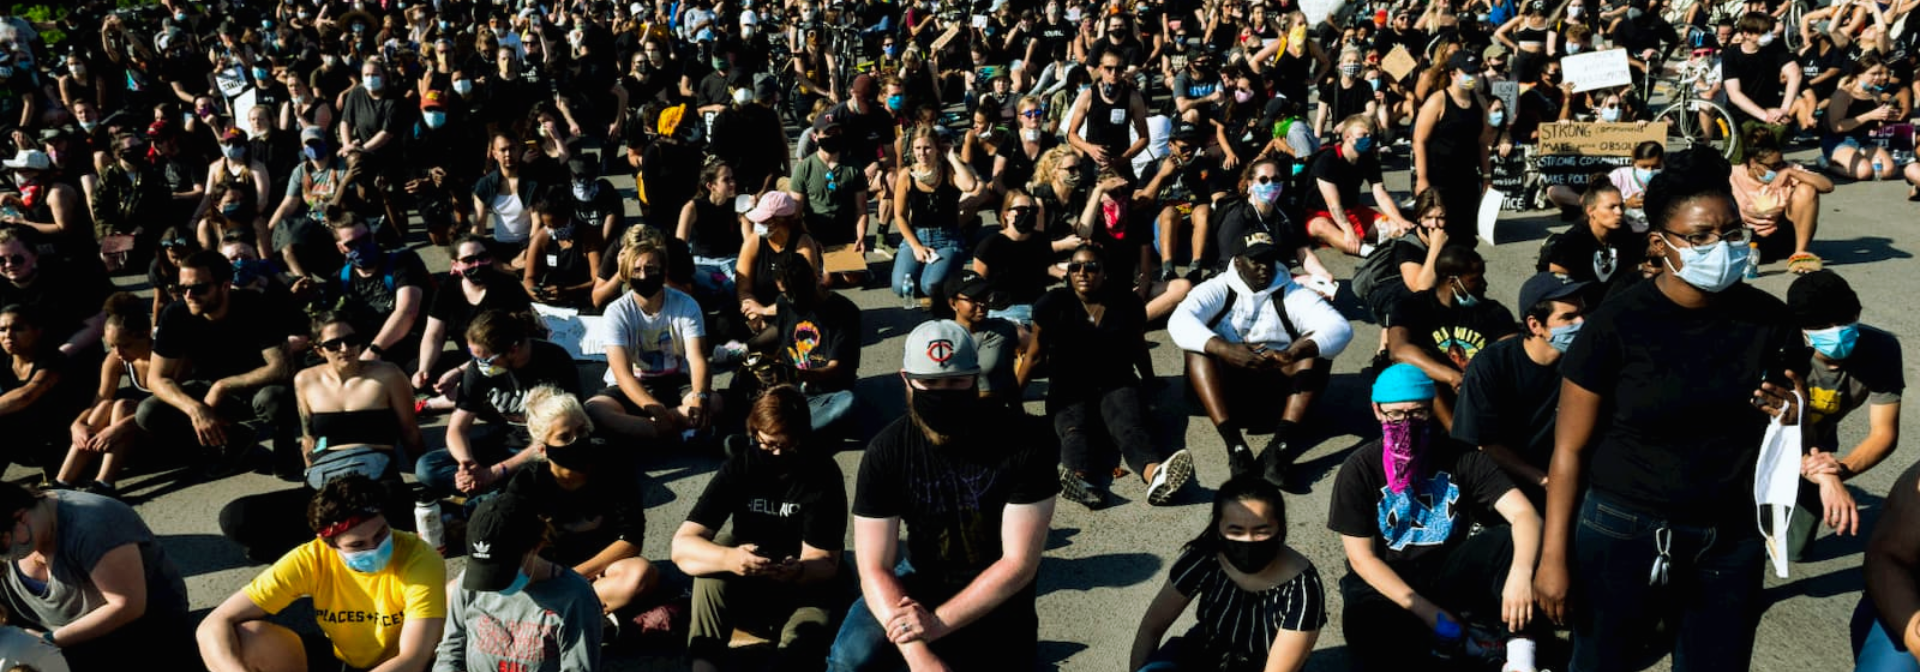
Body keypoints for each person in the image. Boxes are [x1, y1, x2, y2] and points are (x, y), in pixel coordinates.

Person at [1534, 149, 1811, 672]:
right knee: (1602, 663)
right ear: (1660, 245)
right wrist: (1553, 558)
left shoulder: (1770, 319)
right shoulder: (1615, 324)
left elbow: (1795, 419)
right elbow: (1568, 450)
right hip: (1624, 528)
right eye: (1701, 237)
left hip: (1731, 535)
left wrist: (1792, 413)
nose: (1723, 246)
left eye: (1731, 232)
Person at [826, 320, 1058, 671]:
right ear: (906, 380)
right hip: (920, 575)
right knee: (850, 658)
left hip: (995, 587)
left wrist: (935, 624)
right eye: (930, 383)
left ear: (975, 376)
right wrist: (918, 652)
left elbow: (1018, 564)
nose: (943, 393)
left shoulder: (1024, 441)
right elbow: (874, 566)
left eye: (956, 381)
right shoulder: (888, 450)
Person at [1328, 364, 1544, 672]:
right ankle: (1461, 641)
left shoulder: (1462, 457)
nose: (1406, 422)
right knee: (1368, 630)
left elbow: (1524, 515)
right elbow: (1363, 559)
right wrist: (1431, 614)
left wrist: (1520, 576)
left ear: (1432, 408)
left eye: (1417, 412)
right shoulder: (1359, 469)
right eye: (1396, 413)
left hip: (1446, 568)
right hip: (1389, 578)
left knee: (1512, 542)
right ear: (1377, 411)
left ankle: (1521, 657)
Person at [217, 313, 422, 564]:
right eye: (334, 344)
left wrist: (424, 481)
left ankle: (317, 543)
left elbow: (410, 432)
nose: (345, 349)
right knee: (236, 515)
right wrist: (313, 495)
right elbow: (308, 441)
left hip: (375, 480)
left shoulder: (388, 374)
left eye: (351, 340)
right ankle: (333, 536)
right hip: (325, 479)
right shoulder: (305, 379)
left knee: (387, 504)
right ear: (318, 349)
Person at [674, 386, 847, 672]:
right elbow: (682, 547)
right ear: (754, 433)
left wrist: (799, 571)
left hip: (802, 588)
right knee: (711, 558)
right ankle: (704, 664)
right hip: (750, 576)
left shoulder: (822, 473)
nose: (776, 453)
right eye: (767, 445)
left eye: (785, 445)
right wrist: (730, 559)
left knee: (801, 646)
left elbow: (826, 562)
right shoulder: (742, 464)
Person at [196, 474, 446, 672]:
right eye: (357, 545)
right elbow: (212, 625)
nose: (375, 547)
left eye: (381, 533)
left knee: (456, 592)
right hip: (343, 659)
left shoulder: (419, 557)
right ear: (328, 544)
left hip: (406, 665)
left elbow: (413, 659)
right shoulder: (311, 558)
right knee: (247, 638)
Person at [1170, 232, 1354, 488]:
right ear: (1237, 261)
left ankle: (1281, 447)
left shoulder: (1291, 291)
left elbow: (1341, 328)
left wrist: (1290, 354)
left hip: (1275, 393)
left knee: (1316, 347)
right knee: (1197, 348)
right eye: (1255, 260)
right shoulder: (1217, 287)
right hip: (1226, 393)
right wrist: (1226, 349)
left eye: (1268, 260)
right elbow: (1179, 321)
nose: (1264, 267)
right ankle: (1235, 447)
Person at [1128, 476, 1325, 671]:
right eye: (1236, 531)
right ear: (1218, 528)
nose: (1248, 541)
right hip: (1202, 652)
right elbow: (1151, 629)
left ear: (1280, 527)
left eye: (1261, 530)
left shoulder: (1302, 588)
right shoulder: (1205, 557)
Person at [500, 387, 661, 618]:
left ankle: (548, 614)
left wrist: (574, 577)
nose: (578, 441)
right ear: (543, 449)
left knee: (641, 575)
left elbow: (631, 540)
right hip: (547, 572)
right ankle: (581, 612)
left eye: (582, 431)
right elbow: (512, 548)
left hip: (603, 566)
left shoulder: (612, 463)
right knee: (466, 586)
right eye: (565, 437)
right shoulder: (527, 482)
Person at [136, 250, 297, 479]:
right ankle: (232, 441)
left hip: (258, 386)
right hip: (208, 391)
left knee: (274, 398)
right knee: (148, 412)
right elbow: (156, 378)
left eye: (199, 288)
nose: (189, 295)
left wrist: (222, 386)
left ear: (224, 286)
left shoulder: (256, 306)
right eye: (182, 288)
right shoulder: (175, 315)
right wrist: (195, 409)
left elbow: (281, 368)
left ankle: (286, 451)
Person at [0, 482, 192, 671]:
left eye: (2, 547)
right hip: (41, 638)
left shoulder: (94, 525)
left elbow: (126, 606)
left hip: (130, 636)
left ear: (21, 518)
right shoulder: (23, 530)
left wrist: (49, 641)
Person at [1783, 270, 1900, 562]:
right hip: (1761, 445)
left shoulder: (1881, 350)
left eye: (1846, 320)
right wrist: (1824, 476)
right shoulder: (1780, 349)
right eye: (1823, 325)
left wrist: (1836, 472)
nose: (1837, 331)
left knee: (1794, 551)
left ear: (1858, 312)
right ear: (1800, 328)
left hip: (1819, 449)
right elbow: (1753, 429)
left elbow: (1884, 433)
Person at [1452, 273, 1588, 508]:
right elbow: (1484, 444)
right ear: (1535, 325)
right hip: (1506, 487)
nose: (1582, 323)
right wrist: (1543, 479)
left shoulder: (1585, 359)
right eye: (1569, 317)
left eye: (1583, 312)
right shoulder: (1491, 366)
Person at [413, 309, 581, 497]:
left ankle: (496, 494)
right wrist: (468, 465)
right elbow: (457, 427)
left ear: (513, 350)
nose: (479, 364)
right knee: (427, 467)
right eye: (473, 356)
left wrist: (495, 472)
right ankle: (496, 493)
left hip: (543, 450)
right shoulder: (479, 367)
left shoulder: (554, 361)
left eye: (487, 359)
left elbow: (555, 437)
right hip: (504, 441)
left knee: (550, 473)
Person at [436, 493, 603, 672]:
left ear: (536, 547)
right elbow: (450, 652)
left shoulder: (575, 598)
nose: (492, 584)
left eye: (502, 571)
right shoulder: (469, 583)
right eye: (485, 570)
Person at [586, 237, 719, 443]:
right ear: (626, 275)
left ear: (663, 271)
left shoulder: (686, 304)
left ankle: (648, 431)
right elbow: (623, 375)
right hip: (633, 386)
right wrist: (656, 410)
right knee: (594, 409)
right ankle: (675, 430)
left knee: (714, 402)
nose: (644, 275)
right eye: (636, 270)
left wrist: (700, 398)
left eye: (650, 268)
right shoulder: (616, 311)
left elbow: (697, 357)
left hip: (675, 382)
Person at [1386, 245, 1518, 430]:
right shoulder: (1413, 306)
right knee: (1417, 365)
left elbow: (1512, 352)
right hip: (1432, 395)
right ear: (1453, 281)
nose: (1484, 284)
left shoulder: (1493, 312)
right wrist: (1451, 376)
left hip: (1479, 391)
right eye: (1475, 279)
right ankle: (1455, 431)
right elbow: (1399, 350)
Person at [413, 236, 534, 412]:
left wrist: (459, 372)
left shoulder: (508, 287)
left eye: (483, 257)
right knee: (415, 368)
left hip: (501, 360)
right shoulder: (447, 289)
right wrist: (424, 369)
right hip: (468, 357)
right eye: (469, 260)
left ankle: (432, 404)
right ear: (455, 265)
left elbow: (509, 347)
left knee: (497, 383)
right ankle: (458, 393)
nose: (478, 264)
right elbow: (434, 334)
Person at [744, 253, 860, 432]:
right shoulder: (784, 302)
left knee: (846, 402)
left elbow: (836, 368)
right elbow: (781, 328)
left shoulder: (845, 311)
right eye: (786, 293)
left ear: (814, 278)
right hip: (789, 390)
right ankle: (783, 430)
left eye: (798, 291)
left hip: (824, 393)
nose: (794, 299)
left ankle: (780, 432)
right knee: (742, 379)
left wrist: (795, 375)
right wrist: (746, 349)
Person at [57, 295, 151, 495]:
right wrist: (77, 424)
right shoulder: (115, 360)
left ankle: (105, 484)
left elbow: (171, 407)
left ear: (145, 334)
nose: (118, 352)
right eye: (112, 346)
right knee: (106, 406)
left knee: (123, 406)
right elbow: (99, 402)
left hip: (167, 426)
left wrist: (119, 427)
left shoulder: (163, 355)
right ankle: (62, 482)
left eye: (125, 345)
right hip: (132, 434)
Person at [1412, 50, 1494, 245]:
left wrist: (1487, 177)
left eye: (1475, 72)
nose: (1473, 77)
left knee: (1465, 234)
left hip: (1467, 178)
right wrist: (1422, 179)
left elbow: (1483, 142)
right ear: (1453, 74)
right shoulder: (1437, 101)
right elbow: (1419, 140)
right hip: (1439, 178)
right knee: (1440, 232)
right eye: (1468, 72)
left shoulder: (1480, 101)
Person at [890, 125, 978, 306]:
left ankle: (947, 272)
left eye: (927, 147)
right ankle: (932, 272)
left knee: (930, 285)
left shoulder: (948, 171)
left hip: (947, 237)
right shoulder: (907, 175)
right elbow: (899, 215)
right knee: (900, 286)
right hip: (917, 235)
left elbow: (970, 186)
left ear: (937, 148)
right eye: (918, 148)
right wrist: (915, 246)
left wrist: (952, 157)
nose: (922, 153)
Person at [325, 216, 431, 366]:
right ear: (341, 248)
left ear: (373, 236)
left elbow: (408, 311)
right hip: (363, 352)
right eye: (351, 244)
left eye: (365, 238)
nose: (361, 246)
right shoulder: (340, 279)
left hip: (412, 346)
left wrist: (374, 351)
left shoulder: (403, 262)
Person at [1304, 114, 1414, 257]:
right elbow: (1333, 204)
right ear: (1347, 136)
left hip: (1352, 210)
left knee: (1393, 227)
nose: (1368, 138)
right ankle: (1369, 252)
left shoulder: (1368, 158)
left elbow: (1380, 193)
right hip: (1319, 214)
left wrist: (1400, 221)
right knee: (1322, 227)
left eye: (1370, 134)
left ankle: (1398, 247)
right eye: (1363, 134)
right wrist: (1349, 231)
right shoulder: (1327, 160)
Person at [1729, 125, 1832, 273]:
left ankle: (1800, 254)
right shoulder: (1734, 175)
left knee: (1807, 189)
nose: (1779, 169)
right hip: (1748, 238)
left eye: (1781, 163)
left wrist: (1792, 172)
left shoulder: (1787, 170)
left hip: (1782, 234)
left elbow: (1827, 186)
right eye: (1774, 165)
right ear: (1753, 163)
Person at [735, 192, 826, 333]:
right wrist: (754, 314)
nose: (757, 224)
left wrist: (766, 311)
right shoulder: (754, 241)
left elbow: (804, 294)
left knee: (788, 327)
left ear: (782, 221)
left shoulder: (804, 245)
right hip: (758, 309)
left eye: (764, 220)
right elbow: (743, 287)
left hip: (792, 309)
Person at [1540, 175, 1646, 295]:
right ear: (1591, 211)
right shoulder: (1570, 242)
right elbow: (1558, 288)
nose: (1619, 212)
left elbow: (1630, 276)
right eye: (1611, 207)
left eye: (1621, 206)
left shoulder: (1625, 233)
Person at [1721, 11, 1802, 161]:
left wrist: (1784, 108)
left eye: (1768, 31)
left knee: (1768, 158)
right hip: (1738, 116)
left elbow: (1794, 74)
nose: (1767, 36)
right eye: (1762, 33)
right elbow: (1735, 94)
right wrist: (1764, 116)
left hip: (1769, 109)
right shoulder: (1730, 55)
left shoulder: (1775, 48)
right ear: (1746, 34)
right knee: (1735, 162)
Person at [1065, 49, 1152, 181]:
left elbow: (1144, 137)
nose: (1114, 73)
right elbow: (1071, 134)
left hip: (1120, 165)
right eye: (1109, 68)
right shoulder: (1088, 95)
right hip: (1093, 164)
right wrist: (1089, 149)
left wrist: (1122, 159)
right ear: (1100, 69)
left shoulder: (1133, 96)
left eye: (1118, 69)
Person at [944, 272, 1022, 408]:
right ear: (953, 303)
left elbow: (1009, 376)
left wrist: (1017, 412)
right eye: (973, 299)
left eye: (985, 296)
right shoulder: (941, 337)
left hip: (993, 412)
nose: (982, 304)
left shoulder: (1004, 330)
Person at [1823, 53, 1905, 182]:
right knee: (1863, 172)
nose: (1878, 78)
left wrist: (1887, 118)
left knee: (1888, 170)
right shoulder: (1843, 94)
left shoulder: (1875, 93)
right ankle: (1826, 164)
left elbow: (1876, 125)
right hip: (1840, 140)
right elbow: (1836, 127)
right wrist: (1869, 116)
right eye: (1873, 74)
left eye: (1879, 73)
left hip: (1864, 140)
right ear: (1859, 73)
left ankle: (1862, 159)